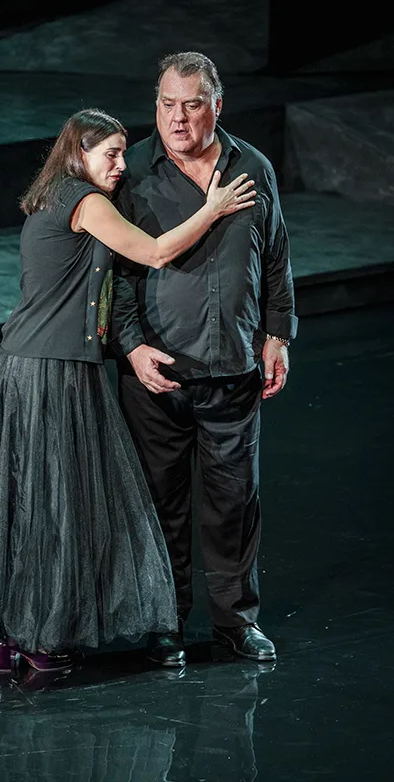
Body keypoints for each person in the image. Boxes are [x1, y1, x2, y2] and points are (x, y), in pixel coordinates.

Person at [0, 108, 257, 673]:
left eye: (121, 153)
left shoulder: (63, 198)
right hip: (49, 371)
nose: (120, 166)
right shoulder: (82, 201)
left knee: (34, 504)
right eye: (110, 154)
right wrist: (212, 210)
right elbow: (156, 252)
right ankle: (37, 637)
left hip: (39, 367)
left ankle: (12, 638)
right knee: (52, 507)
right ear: (77, 154)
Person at [110, 53, 298, 667]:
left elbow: (274, 255)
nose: (177, 117)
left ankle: (235, 623)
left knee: (233, 505)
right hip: (158, 372)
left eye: (192, 103)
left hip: (234, 368)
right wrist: (132, 347)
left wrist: (278, 333)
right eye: (166, 103)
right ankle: (165, 624)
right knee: (163, 504)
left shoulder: (254, 168)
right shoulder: (133, 171)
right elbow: (111, 274)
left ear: (217, 106)